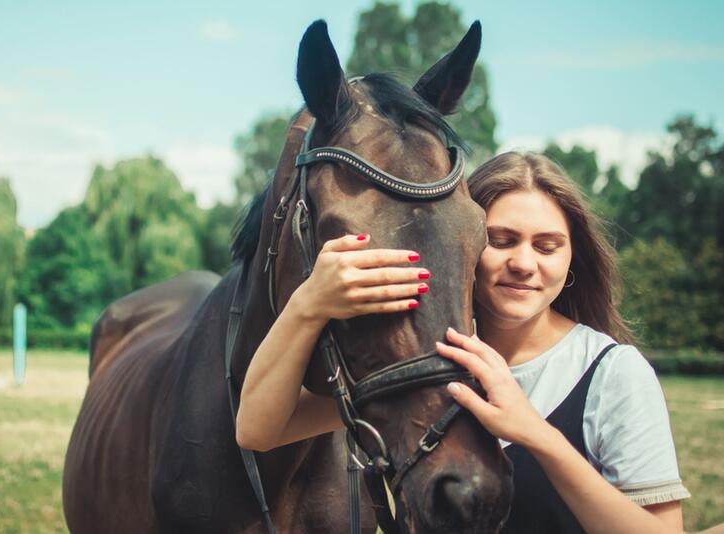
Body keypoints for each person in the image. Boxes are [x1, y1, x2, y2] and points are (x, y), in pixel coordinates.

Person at [235, 151, 692, 533]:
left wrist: (534, 433)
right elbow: (258, 430)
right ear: (463, 245)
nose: (523, 263)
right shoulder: (429, 360)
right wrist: (307, 304)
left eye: (547, 246)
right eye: (501, 240)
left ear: (572, 259)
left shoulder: (613, 373)